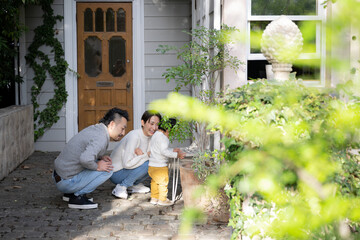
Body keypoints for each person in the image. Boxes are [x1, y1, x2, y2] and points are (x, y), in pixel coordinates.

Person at [53, 108, 128, 209]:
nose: (123, 133)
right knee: (108, 169)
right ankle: (77, 197)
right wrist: (97, 166)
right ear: (112, 124)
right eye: (122, 128)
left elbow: (85, 150)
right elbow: (85, 159)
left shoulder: (97, 129)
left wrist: (100, 157)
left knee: (102, 163)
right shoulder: (101, 137)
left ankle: (70, 194)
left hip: (58, 176)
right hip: (65, 181)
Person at [110, 110, 162, 199]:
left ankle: (133, 185)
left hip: (127, 169)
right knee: (149, 162)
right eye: (152, 123)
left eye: (157, 124)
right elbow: (127, 163)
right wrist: (145, 156)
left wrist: (142, 155)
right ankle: (121, 187)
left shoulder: (150, 137)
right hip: (116, 172)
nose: (154, 127)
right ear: (143, 122)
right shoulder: (134, 136)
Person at [148, 118, 186, 206]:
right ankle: (162, 199)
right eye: (171, 132)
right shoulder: (163, 138)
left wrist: (172, 150)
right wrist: (177, 155)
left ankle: (154, 198)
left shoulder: (155, 135)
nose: (170, 135)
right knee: (163, 183)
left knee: (154, 182)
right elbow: (164, 152)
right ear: (168, 129)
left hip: (152, 165)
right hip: (160, 166)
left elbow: (159, 149)